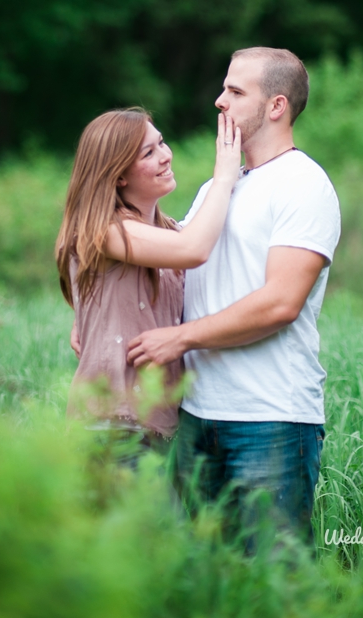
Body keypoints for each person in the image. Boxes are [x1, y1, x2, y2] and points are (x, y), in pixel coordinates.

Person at [127, 47, 341, 542]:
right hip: (198, 417)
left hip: (269, 419)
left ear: (276, 106)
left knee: (273, 578)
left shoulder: (303, 184)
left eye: (235, 91)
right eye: (224, 88)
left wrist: (179, 339)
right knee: (206, 583)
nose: (219, 101)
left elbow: (280, 303)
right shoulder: (215, 190)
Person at [58, 107, 241, 444]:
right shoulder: (104, 231)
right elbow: (193, 249)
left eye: (162, 143)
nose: (165, 156)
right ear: (119, 175)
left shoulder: (166, 231)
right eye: (149, 152)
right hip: (112, 426)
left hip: (157, 428)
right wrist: (225, 178)